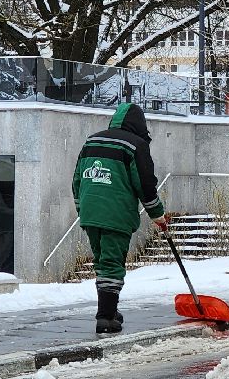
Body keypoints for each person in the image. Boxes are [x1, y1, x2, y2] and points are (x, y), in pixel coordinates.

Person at [72, 102, 168, 334]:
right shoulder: (136, 145)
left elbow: (77, 180)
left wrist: (82, 208)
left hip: (90, 212)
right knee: (112, 265)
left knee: (102, 262)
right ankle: (105, 317)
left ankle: (110, 310)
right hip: (116, 213)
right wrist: (158, 215)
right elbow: (145, 185)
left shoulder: (92, 141)